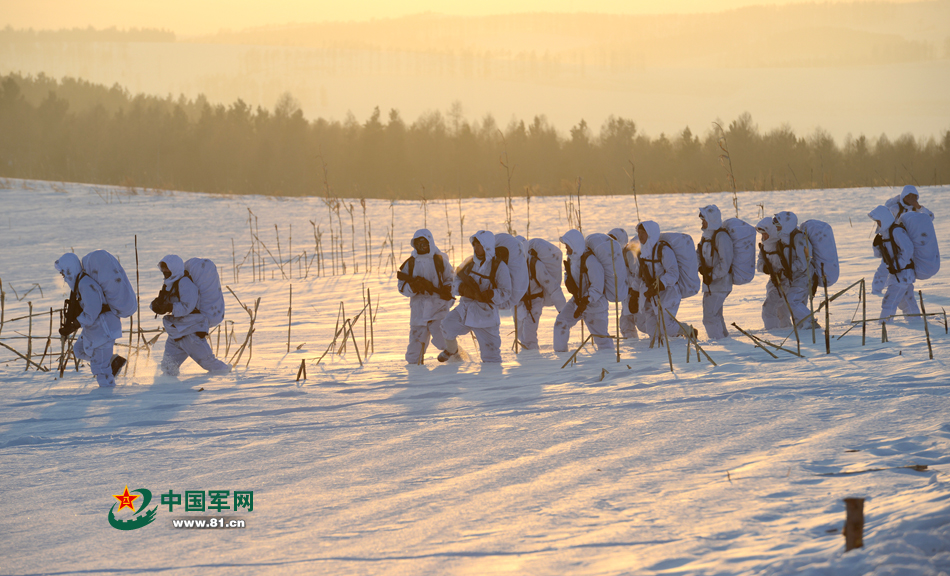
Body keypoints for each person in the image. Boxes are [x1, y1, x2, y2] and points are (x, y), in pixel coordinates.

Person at [150, 255, 231, 376]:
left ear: (175, 268)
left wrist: (170, 307)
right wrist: (156, 306)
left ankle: (227, 379)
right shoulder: (170, 284)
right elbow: (163, 302)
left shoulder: (185, 283)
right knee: (168, 367)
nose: (165, 271)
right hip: (177, 332)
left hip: (190, 331)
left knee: (208, 363)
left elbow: (188, 306)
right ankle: (169, 390)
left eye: (167, 268)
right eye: (163, 268)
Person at [439, 231, 512, 363]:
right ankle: (454, 353)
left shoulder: (499, 267)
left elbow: (506, 292)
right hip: (465, 309)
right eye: (475, 245)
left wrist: (490, 294)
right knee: (447, 325)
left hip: (486, 315)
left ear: (488, 246)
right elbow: (456, 281)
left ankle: (493, 380)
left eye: (481, 245)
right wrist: (464, 289)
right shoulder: (469, 262)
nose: (477, 248)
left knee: (491, 356)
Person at [55, 253, 125, 387]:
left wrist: (74, 325)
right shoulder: (79, 284)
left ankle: (108, 395)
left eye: (63, 272)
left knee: (101, 370)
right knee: (79, 350)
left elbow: (93, 311)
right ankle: (111, 361)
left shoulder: (86, 284)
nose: (62, 276)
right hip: (95, 328)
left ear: (70, 269)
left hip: (104, 328)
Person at [397, 229, 455, 363]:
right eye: (419, 243)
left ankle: (457, 361)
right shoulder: (410, 263)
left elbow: (451, 280)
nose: (422, 246)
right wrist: (413, 287)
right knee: (414, 351)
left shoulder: (440, 260)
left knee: (444, 341)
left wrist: (446, 291)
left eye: (425, 243)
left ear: (430, 243)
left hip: (438, 308)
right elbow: (401, 286)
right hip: (418, 311)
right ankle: (415, 375)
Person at [552, 230, 614, 353]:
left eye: (567, 244)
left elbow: (598, 287)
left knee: (602, 340)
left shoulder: (591, 262)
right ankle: (561, 357)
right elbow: (568, 274)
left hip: (595, 305)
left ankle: (608, 364)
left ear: (574, 244)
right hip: (578, 300)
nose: (565, 247)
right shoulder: (571, 259)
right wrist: (568, 280)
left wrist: (586, 301)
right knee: (561, 322)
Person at [869, 205, 920, 324]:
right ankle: (916, 321)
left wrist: (899, 265)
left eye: (878, 221)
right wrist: (876, 246)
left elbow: (908, 249)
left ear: (885, 219)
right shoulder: (885, 235)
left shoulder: (896, 231)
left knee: (889, 300)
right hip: (898, 274)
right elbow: (880, 256)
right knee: (906, 299)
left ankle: (884, 324)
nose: (877, 224)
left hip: (903, 273)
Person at [630, 221, 681, 341]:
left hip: (667, 293)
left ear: (651, 234)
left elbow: (673, 273)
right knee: (652, 329)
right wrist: (634, 294)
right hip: (649, 295)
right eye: (639, 233)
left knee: (666, 326)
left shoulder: (663, 251)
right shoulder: (641, 253)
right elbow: (638, 276)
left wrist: (660, 284)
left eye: (644, 233)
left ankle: (688, 331)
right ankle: (659, 354)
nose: (640, 236)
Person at [516, 239, 566, 350]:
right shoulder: (512, 265)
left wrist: (563, 310)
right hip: (519, 303)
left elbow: (552, 286)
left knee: (528, 337)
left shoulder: (535, 265)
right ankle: (527, 359)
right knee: (521, 335)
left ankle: (532, 361)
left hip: (534, 302)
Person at [697, 205, 734, 339]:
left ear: (711, 219)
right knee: (716, 315)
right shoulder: (706, 236)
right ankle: (725, 340)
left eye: (704, 219)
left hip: (721, 284)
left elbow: (725, 263)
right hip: (711, 284)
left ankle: (719, 343)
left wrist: (711, 275)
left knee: (710, 317)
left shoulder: (721, 237)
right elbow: (699, 254)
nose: (702, 222)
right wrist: (700, 268)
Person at [773, 211, 814, 328]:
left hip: (805, 276)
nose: (777, 229)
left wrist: (789, 268)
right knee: (798, 302)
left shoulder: (799, 238)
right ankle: (803, 328)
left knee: (792, 300)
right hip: (795, 277)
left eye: (779, 226)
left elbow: (804, 261)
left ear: (787, 225)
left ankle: (810, 322)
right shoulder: (785, 239)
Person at [756, 218, 791, 330]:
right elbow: (759, 264)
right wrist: (766, 268)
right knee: (781, 311)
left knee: (769, 308)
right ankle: (786, 330)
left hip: (785, 282)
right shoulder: (764, 247)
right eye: (762, 234)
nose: (763, 236)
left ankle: (773, 333)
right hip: (773, 282)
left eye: (765, 233)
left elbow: (791, 264)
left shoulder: (782, 246)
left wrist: (783, 272)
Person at [608, 228, 639, 342]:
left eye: (614, 240)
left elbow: (638, 276)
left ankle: (677, 333)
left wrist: (624, 281)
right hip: (626, 295)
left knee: (643, 324)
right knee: (626, 325)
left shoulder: (629, 254)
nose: (611, 243)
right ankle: (634, 347)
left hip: (635, 294)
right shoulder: (613, 257)